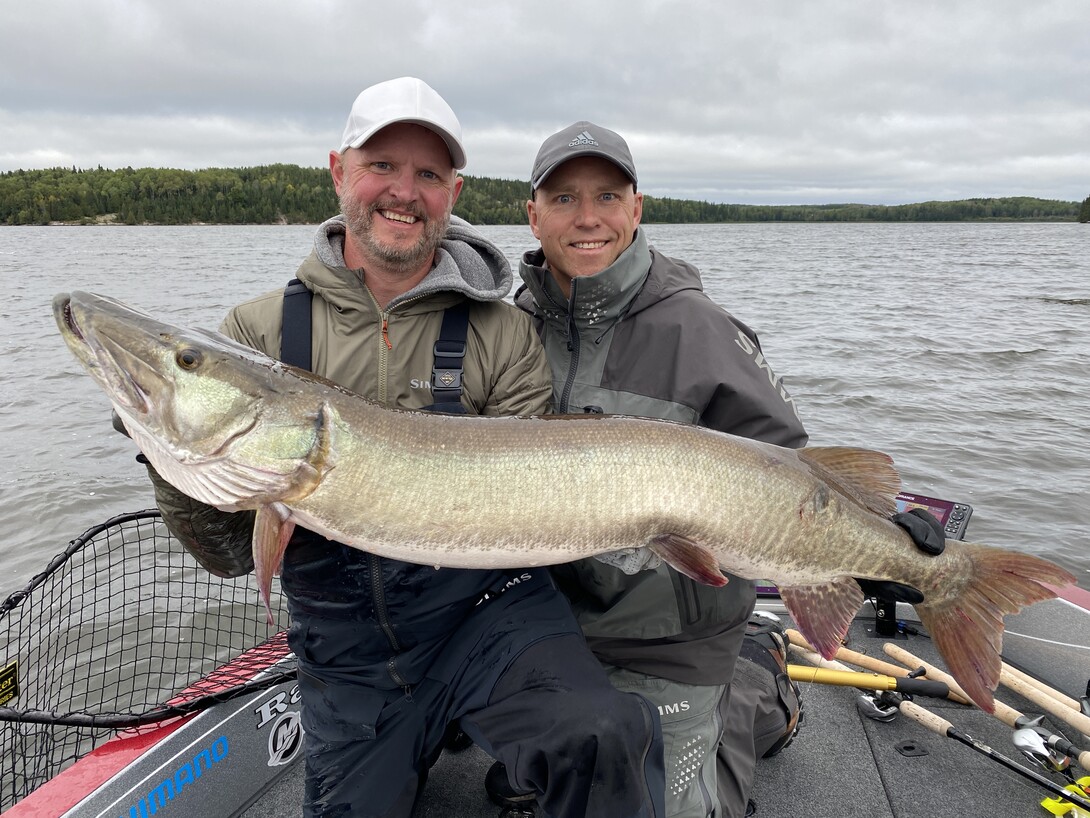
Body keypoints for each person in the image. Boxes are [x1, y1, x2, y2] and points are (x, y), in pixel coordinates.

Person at [132, 84, 665, 818]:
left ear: (454, 192)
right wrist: (164, 449)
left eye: (429, 175)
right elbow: (226, 553)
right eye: (383, 164)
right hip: (350, 654)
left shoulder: (501, 333)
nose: (403, 192)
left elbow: (529, 513)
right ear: (338, 171)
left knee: (603, 735)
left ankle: (493, 733)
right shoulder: (254, 335)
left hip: (488, 615)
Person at [492, 121, 947, 818]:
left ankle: (755, 684)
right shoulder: (503, 331)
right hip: (550, 625)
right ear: (532, 214)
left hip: (674, 637)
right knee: (535, 779)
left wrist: (873, 541)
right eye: (563, 199)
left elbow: (788, 472)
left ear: (636, 208)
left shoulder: (700, 328)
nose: (588, 217)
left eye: (607, 196)